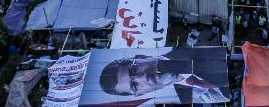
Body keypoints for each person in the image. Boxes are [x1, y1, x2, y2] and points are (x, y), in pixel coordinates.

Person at [97, 50, 229, 104]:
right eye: (134, 86)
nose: (144, 78)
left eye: (134, 70)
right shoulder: (187, 98)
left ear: (142, 57)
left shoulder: (191, 48)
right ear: (140, 93)